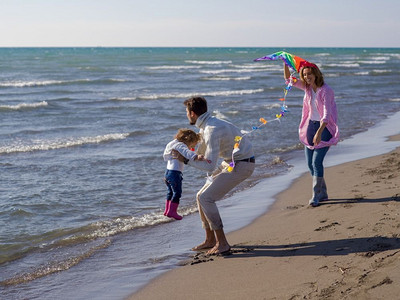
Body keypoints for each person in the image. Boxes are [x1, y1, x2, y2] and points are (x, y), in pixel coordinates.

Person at [177, 96, 255, 255]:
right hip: (233, 161)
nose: (186, 115)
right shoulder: (206, 125)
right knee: (200, 196)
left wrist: (185, 161)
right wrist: (181, 152)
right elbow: (200, 152)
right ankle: (210, 239)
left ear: (192, 113)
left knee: (206, 198)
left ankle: (223, 243)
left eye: (186, 112)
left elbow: (210, 165)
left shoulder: (212, 129)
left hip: (243, 164)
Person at [284, 62, 339, 207]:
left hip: (324, 127)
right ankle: (323, 193)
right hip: (310, 126)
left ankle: (315, 195)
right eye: (304, 74)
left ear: (316, 74)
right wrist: (285, 64)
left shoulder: (326, 90)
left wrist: (319, 132)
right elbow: (289, 79)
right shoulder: (307, 87)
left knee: (316, 162)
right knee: (310, 163)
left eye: (309, 74)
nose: (307, 77)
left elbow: (326, 114)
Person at [163, 128, 204, 220]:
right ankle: (172, 211)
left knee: (170, 192)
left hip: (168, 172)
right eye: (193, 143)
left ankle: (167, 211)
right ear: (189, 140)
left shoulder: (172, 143)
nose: (192, 146)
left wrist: (190, 149)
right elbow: (186, 151)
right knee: (177, 193)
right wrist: (196, 156)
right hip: (175, 173)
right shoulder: (180, 145)